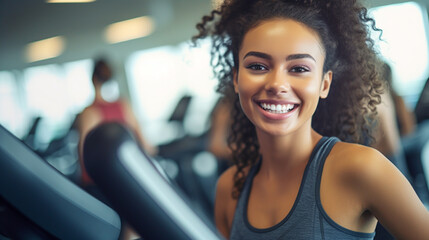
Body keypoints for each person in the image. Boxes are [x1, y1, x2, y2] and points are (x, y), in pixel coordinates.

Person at [192, 0, 429, 239]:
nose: (276, 84)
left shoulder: (362, 168)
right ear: (236, 79)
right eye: (257, 66)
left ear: (324, 84)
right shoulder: (229, 189)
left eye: (299, 69)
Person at [77, 58, 156, 240]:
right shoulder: (123, 106)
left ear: (93, 79)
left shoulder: (89, 112)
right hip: (121, 182)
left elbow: (84, 159)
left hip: (105, 184)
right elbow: (147, 147)